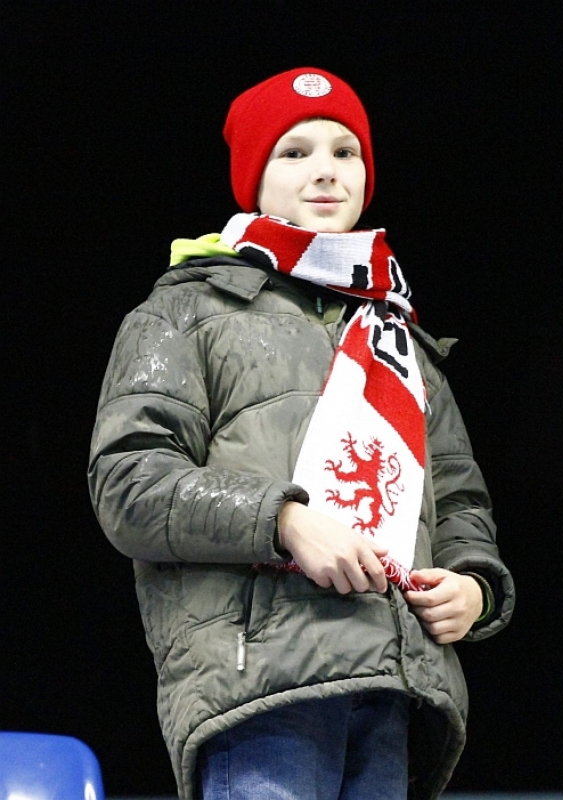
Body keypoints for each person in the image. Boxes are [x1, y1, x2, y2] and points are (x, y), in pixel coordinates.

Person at [88, 67, 515, 800]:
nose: (325, 170)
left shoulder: (396, 338)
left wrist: (474, 584)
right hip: (261, 687)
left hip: (395, 684)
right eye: (294, 152)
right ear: (252, 179)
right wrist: (284, 522)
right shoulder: (186, 312)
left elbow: (458, 499)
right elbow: (129, 483)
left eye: (345, 152)